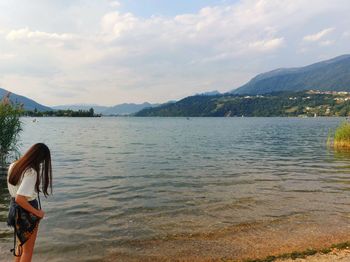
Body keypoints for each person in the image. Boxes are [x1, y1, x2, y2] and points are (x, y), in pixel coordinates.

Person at [7, 143, 52, 262]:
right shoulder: (31, 172)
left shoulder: (13, 165)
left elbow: (15, 196)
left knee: (20, 246)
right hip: (26, 210)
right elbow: (20, 198)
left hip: (14, 210)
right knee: (28, 250)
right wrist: (37, 213)